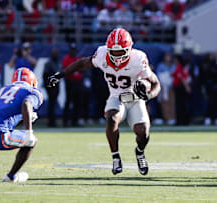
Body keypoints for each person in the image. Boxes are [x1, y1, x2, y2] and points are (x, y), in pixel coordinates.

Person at [48, 28, 161, 175]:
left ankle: (139, 152)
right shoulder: (102, 55)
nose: (116, 56)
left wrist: (149, 95)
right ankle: (115, 157)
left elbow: (156, 84)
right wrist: (60, 74)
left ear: (129, 49)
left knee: (143, 132)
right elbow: (82, 63)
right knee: (111, 118)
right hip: (116, 97)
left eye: (120, 52)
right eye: (113, 52)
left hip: (134, 98)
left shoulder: (138, 59)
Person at [62, 43, 82, 127]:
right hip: (69, 82)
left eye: (74, 50)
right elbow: (66, 70)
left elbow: (82, 69)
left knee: (77, 102)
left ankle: (75, 120)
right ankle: (65, 121)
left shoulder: (78, 59)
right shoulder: (66, 59)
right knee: (68, 101)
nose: (73, 52)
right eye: (72, 50)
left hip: (77, 83)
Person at [43, 48, 61, 127]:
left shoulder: (57, 63)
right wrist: (49, 85)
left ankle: (52, 120)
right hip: (51, 86)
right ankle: (51, 121)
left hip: (56, 85)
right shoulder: (49, 64)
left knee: (53, 103)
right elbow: (45, 75)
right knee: (51, 103)